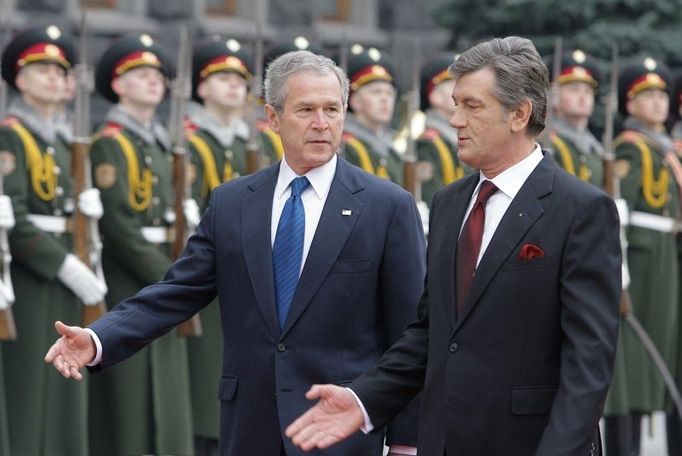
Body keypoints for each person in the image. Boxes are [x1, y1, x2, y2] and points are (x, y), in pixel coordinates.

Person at [45, 50, 426, 456]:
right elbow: (177, 291)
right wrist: (98, 337)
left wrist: (405, 441)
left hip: (341, 429)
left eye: (332, 109)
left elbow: (411, 331)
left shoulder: (385, 206)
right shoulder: (234, 203)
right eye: (306, 110)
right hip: (250, 425)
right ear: (273, 117)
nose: (322, 123)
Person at [286, 36, 621, 456]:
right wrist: (363, 398)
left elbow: (588, 363)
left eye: (471, 105)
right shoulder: (450, 202)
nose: (455, 118)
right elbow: (434, 332)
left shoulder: (581, 210)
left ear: (519, 114)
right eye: (455, 103)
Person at [86, 34, 195, 456]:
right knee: (129, 400)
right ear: (118, 83)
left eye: (159, 76)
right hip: (129, 278)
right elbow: (119, 226)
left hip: (162, 271)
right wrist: (175, 278)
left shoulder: (158, 143)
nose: (155, 82)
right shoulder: (110, 143)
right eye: (142, 74)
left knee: (163, 398)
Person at [0, 25, 106, 456]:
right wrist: (63, 264)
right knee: (29, 383)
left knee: (64, 385)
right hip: (32, 272)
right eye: (41, 69)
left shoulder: (66, 140)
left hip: (66, 265)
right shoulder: (12, 134)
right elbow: (17, 216)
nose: (53, 78)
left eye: (58, 70)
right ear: (19, 79)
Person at [184, 35, 253, 456]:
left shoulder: (255, 142)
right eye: (222, 77)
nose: (233, 86)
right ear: (201, 86)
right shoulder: (190, 142)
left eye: (239, 79)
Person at [609, 57, 680, 456]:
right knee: (635, 357)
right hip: (642, 259)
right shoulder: (631, 149)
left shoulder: (664, 148)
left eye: (661, 95)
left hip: (666, 256)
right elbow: (621, 211)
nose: (657, 103)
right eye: (646, 96)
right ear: (630, 104)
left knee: (662, 354)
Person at [341, 45, 404, 186]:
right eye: (376, 92)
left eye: (389, 93)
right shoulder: (346, 147)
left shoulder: (391, 149)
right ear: (355, 101)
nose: (384, 99)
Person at [417, 53, 474, 208]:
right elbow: (431, 199)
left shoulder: (459, 137)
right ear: (435, 96)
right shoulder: (430, 144)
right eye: (454, 84)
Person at [547, 49, 605, 187]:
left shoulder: (595, 148)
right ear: (554, 95)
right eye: (574, 89)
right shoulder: (547, 142)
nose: (582, 97)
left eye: (588, 91)